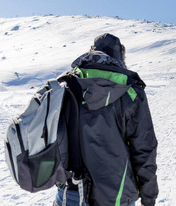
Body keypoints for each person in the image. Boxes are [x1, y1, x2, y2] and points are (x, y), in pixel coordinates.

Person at [54, 33, 158, 206]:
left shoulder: (67, 85)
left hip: (69, 193)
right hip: (115, 197)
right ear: (120, 57)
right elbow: (144, 149)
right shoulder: (130, 92)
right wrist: (149, 198)